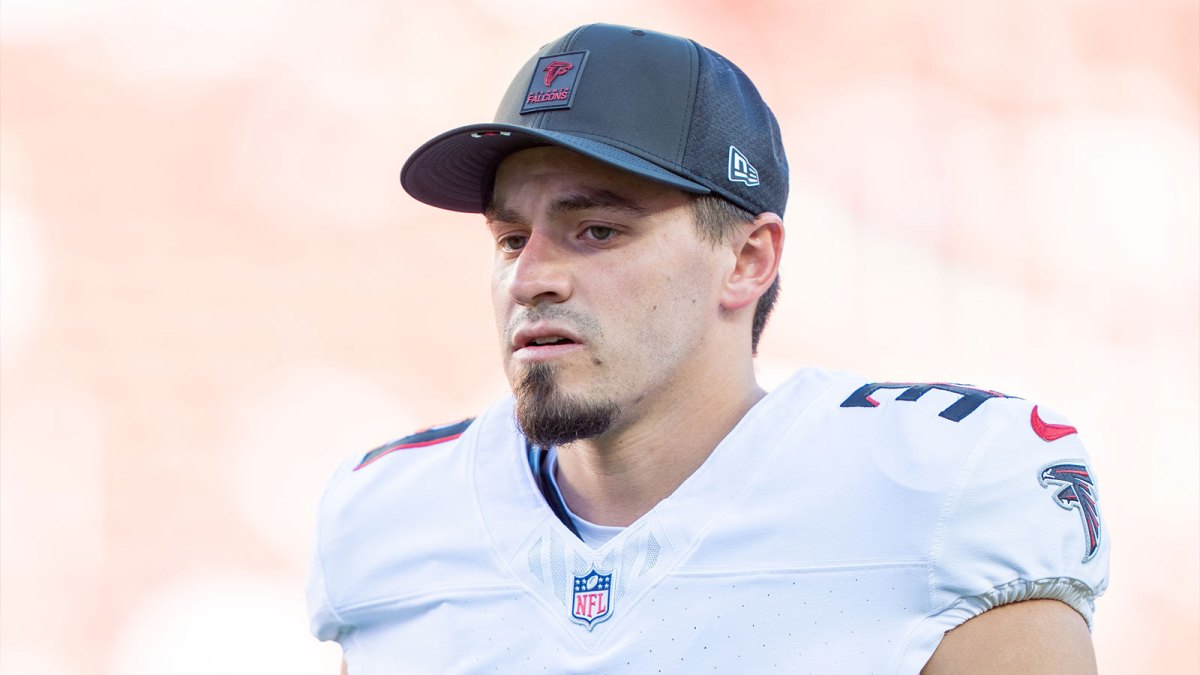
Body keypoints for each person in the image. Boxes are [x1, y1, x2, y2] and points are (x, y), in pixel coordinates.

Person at [307, 23, 1109, 673]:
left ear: (747, 259)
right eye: (512, 238)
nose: (532, 277)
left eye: (597, 230)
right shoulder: (391, 518)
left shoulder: (934, 486)